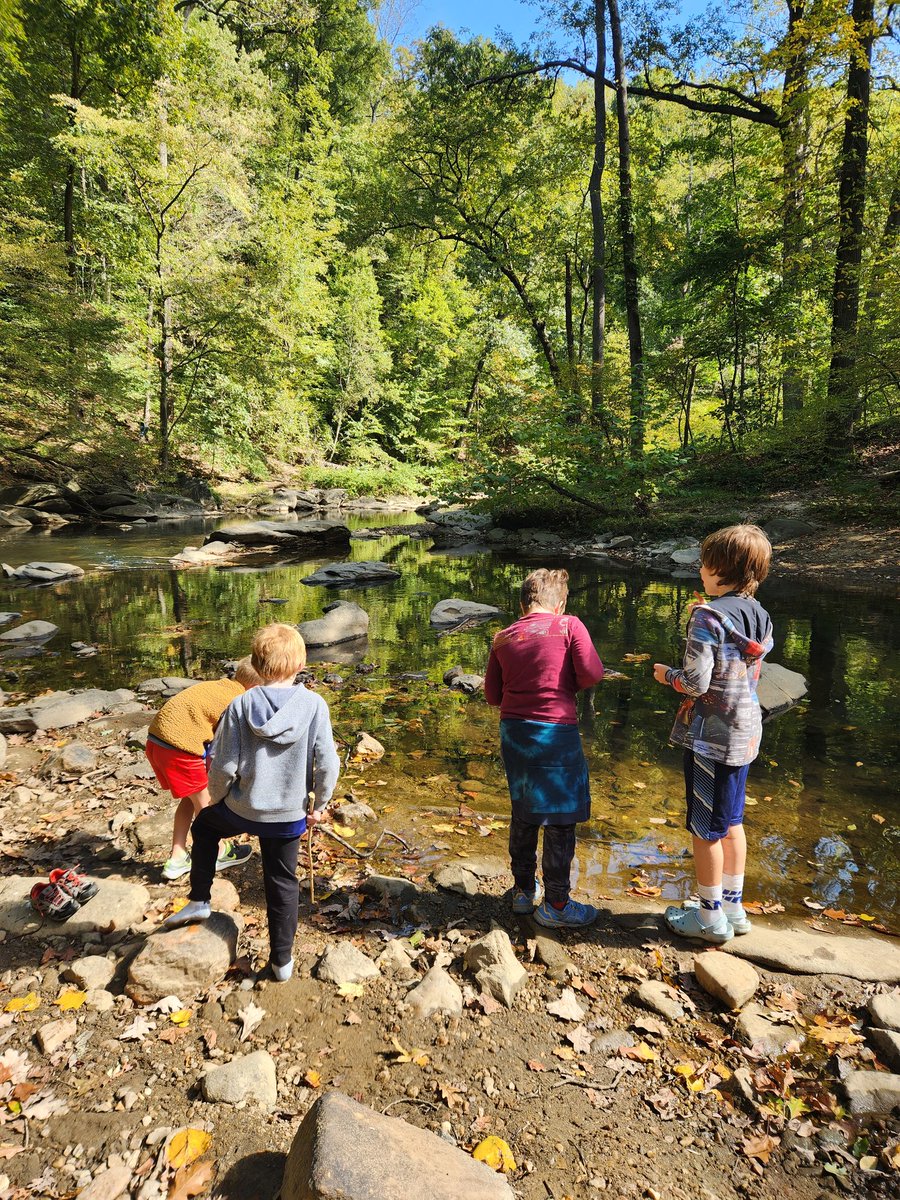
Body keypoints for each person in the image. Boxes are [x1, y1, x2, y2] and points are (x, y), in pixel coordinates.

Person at [164, 623, 340, 982]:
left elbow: (224, 763)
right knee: (282, 882)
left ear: (257, 666)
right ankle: (282, 962)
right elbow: (328, 761)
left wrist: (217, 796)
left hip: (243, 809)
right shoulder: (314, 705)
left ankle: (199, 899)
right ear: (300, 664)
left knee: (204, 827)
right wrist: (319, 805)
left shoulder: (241, 704)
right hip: (289, 816)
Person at [652, 524, 774, 944]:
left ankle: (708, 920)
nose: (699, 570)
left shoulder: (707, 616)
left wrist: (667, 675)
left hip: (711, 737)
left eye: (704, 563)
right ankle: (734, 909)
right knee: (733, 822)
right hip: (745, 733)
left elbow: (696, 682)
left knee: (705, 829)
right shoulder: (759, 615)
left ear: (718, 569)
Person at [484, 568, 604, 929]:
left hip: (515, 734)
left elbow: (492, 695)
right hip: (556, 733)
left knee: (523, 810)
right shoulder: (569, 626)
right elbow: (592, 673)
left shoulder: (503, 637)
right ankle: (556, 904)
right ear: (561, 603)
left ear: (523, 604)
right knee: (560, 818)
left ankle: (522, 892)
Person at [145, 659, 261, 880]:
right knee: (206, 807)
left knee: (190, 799)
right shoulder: (237, 701)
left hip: (156, 744)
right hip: (179, 749)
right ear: (254, 689)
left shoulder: (221, 686)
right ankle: (217, 853)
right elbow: (223, 745)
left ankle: (177, 856)